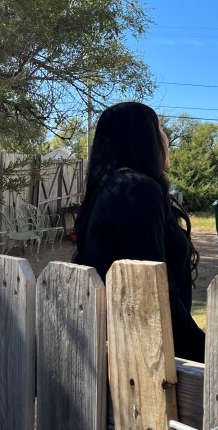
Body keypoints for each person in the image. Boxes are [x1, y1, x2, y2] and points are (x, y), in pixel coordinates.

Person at [74, 102, 205, 362]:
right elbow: (150, 290)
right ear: (142, 137)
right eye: (160, 129)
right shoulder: (135, 189)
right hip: (145, 358)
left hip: (122, 348)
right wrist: (205, 351)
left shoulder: (110, 187)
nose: (166, 139)